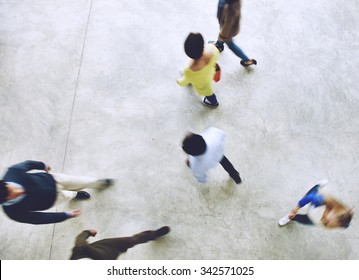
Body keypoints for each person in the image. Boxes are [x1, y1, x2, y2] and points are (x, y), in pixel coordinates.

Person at [0, 160, 114, 225]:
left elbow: (27, 164)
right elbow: (37, 218)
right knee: (69, 195)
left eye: (11, 188)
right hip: (54, 198)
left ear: (5, 183)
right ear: (5, 201)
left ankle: (98, 183)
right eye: (12, 196)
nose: (19, 191)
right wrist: (65, 215)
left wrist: (42, 165)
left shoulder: (13, 173)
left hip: (55, 179)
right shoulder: (13, 212)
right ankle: (76, 194)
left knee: (82, 180)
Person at [278, 180, 354, 228]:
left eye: (332, 224)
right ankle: (318, 186)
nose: (327, 222)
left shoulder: (339, 222)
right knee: (311, 193)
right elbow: (309, 198)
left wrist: (345, 224)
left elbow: (345, 225)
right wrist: (294, 210)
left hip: (313, 219)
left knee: (302, 220)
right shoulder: (321, 201)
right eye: (329, 220)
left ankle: (290, 217)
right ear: (332, 211)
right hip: (315, 206)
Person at [70, 226, 170, 260]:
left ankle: (153, 234)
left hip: (108, 245)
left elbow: (80, 240)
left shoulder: (79, 250)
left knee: (132, 240)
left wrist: (87, 232)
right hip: (112, 255)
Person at [177, 32, 220, 108]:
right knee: (209, 92)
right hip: (210, 72)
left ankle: (214, 103)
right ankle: (213, 102)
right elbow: (216, 54)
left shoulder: (189, 70)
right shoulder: (213, 49)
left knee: (208, 93)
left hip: (204, 84)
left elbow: (185, 81)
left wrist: (180, 82)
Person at [211, 0, 257, 67]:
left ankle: (246, 60)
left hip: (228, 30)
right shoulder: (230, 3)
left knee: (230, 44)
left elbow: (228, 23)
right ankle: (219, 44)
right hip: (225, 22)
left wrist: (222, 35)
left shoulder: (231, 8)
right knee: (225, 39)